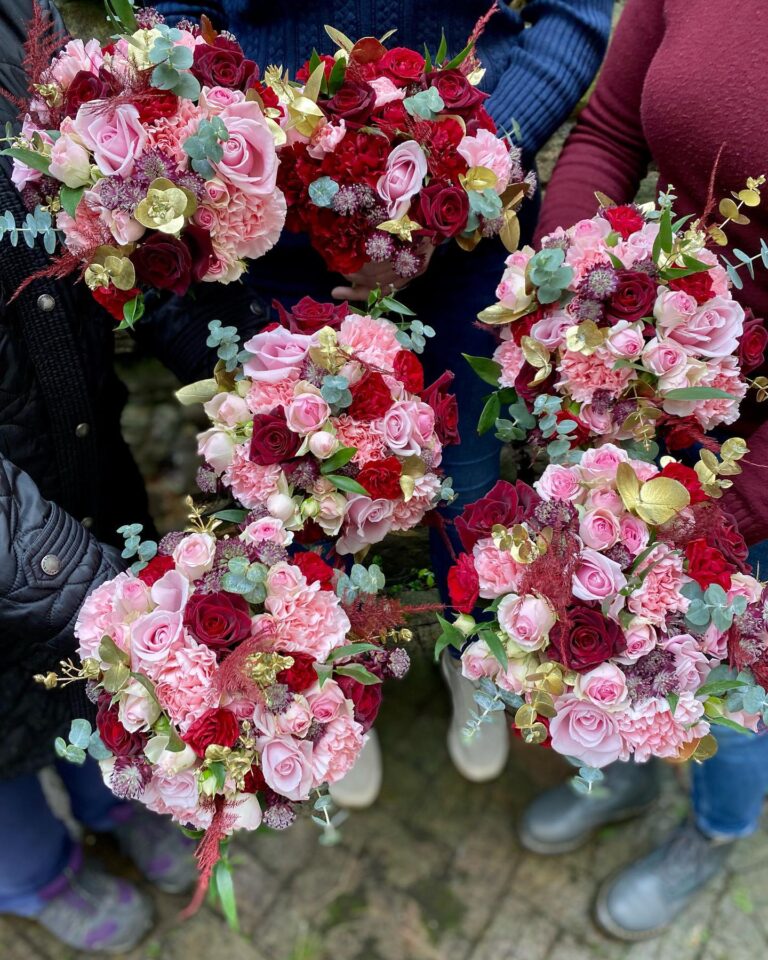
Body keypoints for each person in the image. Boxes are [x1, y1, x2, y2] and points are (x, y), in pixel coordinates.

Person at [157, 0, 615, 800]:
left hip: (463, 224)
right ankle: (326, 681)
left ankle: (467, 645)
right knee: (304, 492)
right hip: (270, 241)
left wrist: (456, 174)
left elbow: (573, 14)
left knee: (464, 480)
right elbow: (162, 23)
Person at [0, 0, 265, 950]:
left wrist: (243, 374)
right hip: (18, 543)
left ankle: (116, 800)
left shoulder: (16, 24)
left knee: (93, 694)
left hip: (74, 463)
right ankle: (37, 874)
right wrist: (99, 595)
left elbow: (94, 248)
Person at [519, 0, 768, 940]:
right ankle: (618, 765)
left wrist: (714, 516)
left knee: (736, 685)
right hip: (642, 390)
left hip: (762, 463)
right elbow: (614, 127)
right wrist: (572, 303)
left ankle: (717, 825)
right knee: (608, 620)